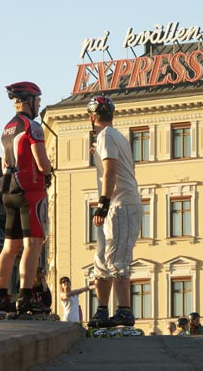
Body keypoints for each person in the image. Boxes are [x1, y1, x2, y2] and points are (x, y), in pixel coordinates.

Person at [0, 81, 54, 316]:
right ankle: (26, 296)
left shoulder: (7, 128)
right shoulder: (32, 126)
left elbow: (4, 163)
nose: (39, 104)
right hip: (30, 190)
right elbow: (42, 163)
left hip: (8, 190)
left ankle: (1, 296)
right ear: (29, 100)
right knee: (33, 243)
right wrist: (49, 171)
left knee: (10, 247)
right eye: (38, 100)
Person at [86, 96, 143, 328]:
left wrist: (103, 204)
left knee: (117, 259)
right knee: (101, 259)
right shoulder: (114, 136)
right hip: (116, 204)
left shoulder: (107, 136)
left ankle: (124, 311)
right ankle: (101, 310)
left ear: (91, 117)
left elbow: (110, 171)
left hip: (120, 205)